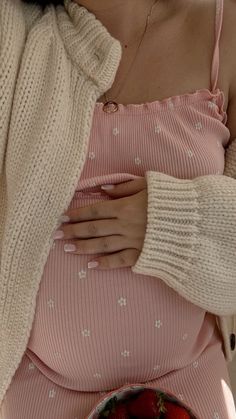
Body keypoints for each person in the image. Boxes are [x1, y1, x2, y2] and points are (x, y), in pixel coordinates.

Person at [0, 0, 236, 417]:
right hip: (37, 393)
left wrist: (175, 224)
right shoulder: (14, 32)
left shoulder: (223, 27)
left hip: (188, 391)